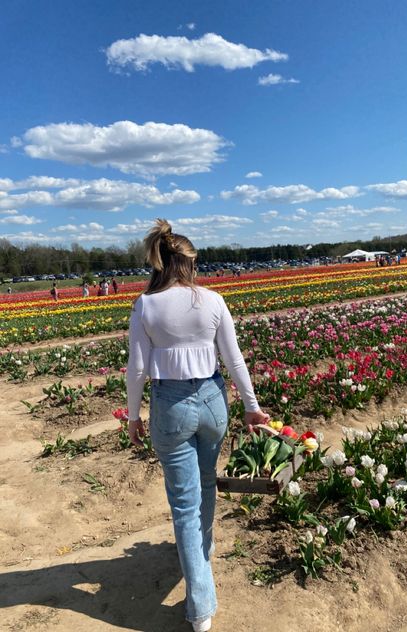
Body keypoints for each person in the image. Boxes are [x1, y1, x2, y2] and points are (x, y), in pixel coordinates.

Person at [126, 219, 268, 632]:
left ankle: (200, 606)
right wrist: (251, 407)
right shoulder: (213, 300)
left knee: (185, 503)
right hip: (212, 401)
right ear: (188, 262)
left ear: (161, 261)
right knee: (206, 486)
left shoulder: (145, 304)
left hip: (170, 404)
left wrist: (134, 415)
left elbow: (137, 369)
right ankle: (199, 561)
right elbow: (235, 358)